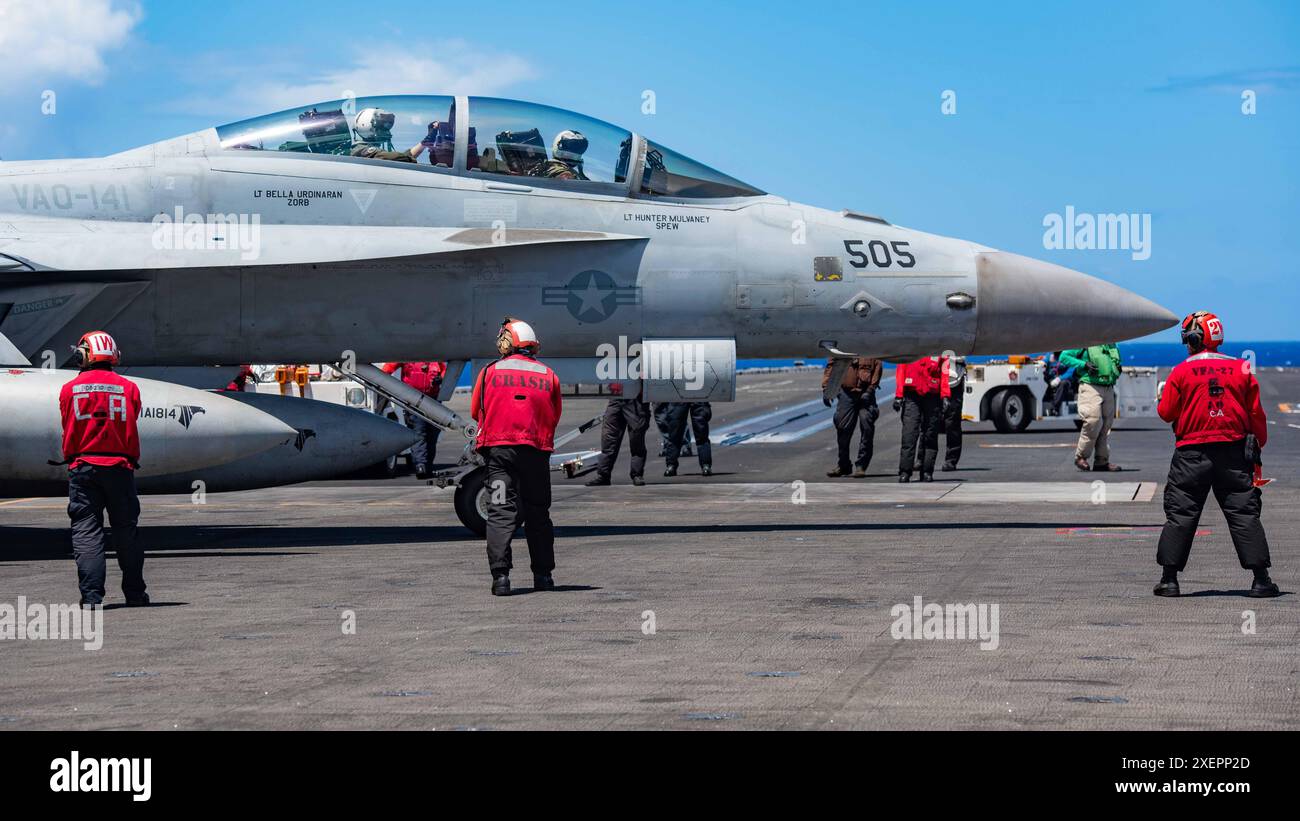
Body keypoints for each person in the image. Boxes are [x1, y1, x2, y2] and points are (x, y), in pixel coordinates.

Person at [1153, 311, 1279, 598]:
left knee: (1181, 513)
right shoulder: (1242, 368)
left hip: (1191, 456)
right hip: (1234, 454)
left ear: (1195, 339)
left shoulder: (1181, 371)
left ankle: (1169, 580)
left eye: (1187, 338)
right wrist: (1258, 443)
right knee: (1244, 513)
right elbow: (1256, 413)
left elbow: (1165, 413)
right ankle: (1261, 580)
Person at [470, 318, 562, 596]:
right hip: (535, 453)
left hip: (499, 454)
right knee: (538, 513)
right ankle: (543, 576)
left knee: (500, 513)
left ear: (508, 341)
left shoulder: (489, 372)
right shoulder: (548, 374)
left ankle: (501, 578)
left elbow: (477, 410)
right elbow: (554, 414)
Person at [58, 331, 147, 608]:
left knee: (86, 531)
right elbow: (133, 415)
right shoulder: (129, 388)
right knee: (126, 531)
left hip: (83, 467)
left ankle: (92, 597)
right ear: (114, 355)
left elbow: (66, 420)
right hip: (120, 468)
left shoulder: (69, 389)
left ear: (84, 354)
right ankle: (135, 594)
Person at [1060, 343, 1122, 472]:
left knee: (1106, 425)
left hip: (1108, 387)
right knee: (1092, 420)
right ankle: (1080, 457)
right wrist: (1084, 364)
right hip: (1090, 385)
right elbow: (1064, 357)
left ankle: (1102, 461)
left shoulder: (1111, 343)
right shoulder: (1086, 340)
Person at [381, 361, 446, 479]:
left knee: (432, 435)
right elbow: (390, 366)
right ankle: (420, 465)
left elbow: (444, 371)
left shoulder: (436, 357)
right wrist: (379, 377)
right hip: (414, 400)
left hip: (434, 401)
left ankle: (428, 467)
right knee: (419, 433)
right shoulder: (408, 354)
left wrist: (441, 378)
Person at [821, 357, 882, 478]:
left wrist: (870, 390)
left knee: (867, 428)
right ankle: (843, 465)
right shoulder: (843, 344)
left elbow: (877, 366)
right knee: (842, 428)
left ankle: (861, 466)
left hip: (866, 393)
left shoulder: (871, 344)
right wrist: (827, 388)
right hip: (846, 393)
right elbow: (831, 366)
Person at [894, 356, 950, 482]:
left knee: (930, 434)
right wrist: (899, 395)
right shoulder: (910, 346)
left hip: (932, 395)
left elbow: (944, 371)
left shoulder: (940, 347)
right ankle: (905, 471)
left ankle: (927, 471)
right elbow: (901, 368)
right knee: (909, 434)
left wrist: (945, 395)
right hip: (912, 394)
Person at [586, 383, 649, 486]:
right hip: (617, 395)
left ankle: (637, 474)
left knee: (636, 439)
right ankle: (603, 475)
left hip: (635, 398)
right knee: (609, 438)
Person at [349, 108, 434, 163]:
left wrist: (427, 141)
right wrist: (411, 160)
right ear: (366, 126)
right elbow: (395, 158)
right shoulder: (360, 150)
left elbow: (404, 157)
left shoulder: (370, 152)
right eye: (382, 127)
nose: (387, 132)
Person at [662, 402, 713, 477]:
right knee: (674, 433)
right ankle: (671, 464)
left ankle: (706, 464)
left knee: (701, 432)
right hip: (678, 397)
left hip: (699, 396)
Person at [941, 356, 966, 471]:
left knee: (952, 423)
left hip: (953, 381)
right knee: (927, 422)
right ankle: (921, 459)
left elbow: (962, 355)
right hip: (933, 379)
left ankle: (951, 459)